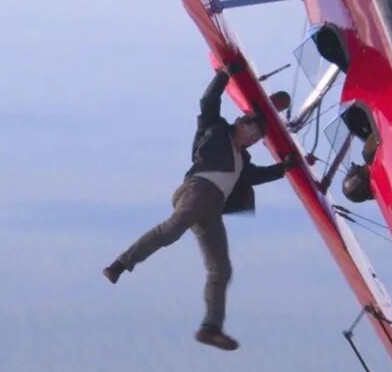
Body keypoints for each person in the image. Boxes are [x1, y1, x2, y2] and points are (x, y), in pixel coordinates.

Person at [103, 63, 290, 351]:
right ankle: (119, 264)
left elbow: (256, 177)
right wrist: (225, 74)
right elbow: (208, 102)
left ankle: (210, 327)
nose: (254, 139)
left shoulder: (243, 162)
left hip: (212, 208)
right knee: (171, 230)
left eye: (257, 139)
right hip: (197, 190)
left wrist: (286, 167)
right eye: (251, 132)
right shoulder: (215, 131)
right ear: (240, 124)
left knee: (221, 268)